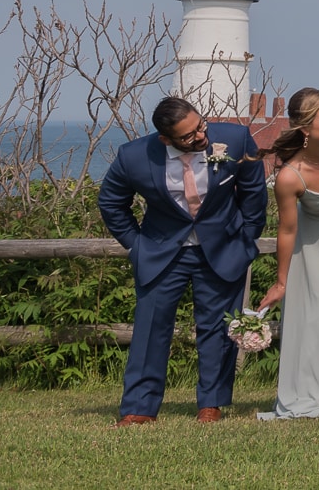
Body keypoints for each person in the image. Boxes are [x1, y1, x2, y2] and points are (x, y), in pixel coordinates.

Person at [98, 95, 268, 426]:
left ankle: (211, 404)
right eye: (189, 136)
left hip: (222, 250)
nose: (201, 136)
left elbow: (254, 193)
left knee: (218, 329)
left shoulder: (234, 139)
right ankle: (139, 408)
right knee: (150, 331)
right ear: (166, 139)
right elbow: (111, 203)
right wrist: (136, 246)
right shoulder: (133, 156)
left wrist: (245, 239)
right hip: (161, 253)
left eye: (200, 125)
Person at [258, 88, 319, 420]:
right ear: (305, 129)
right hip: (312, 246)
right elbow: (286, 230)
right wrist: (281, 281)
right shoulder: (289, 176)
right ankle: (316, 392)